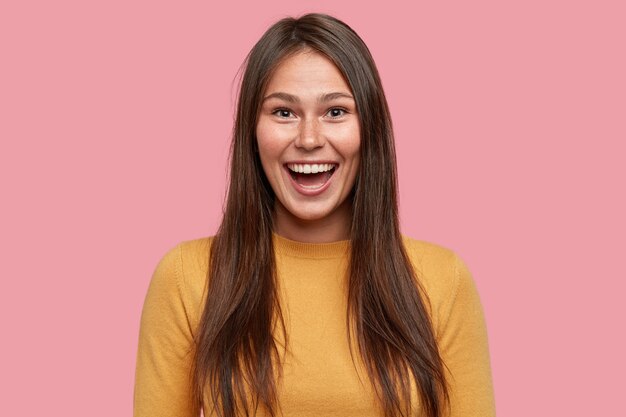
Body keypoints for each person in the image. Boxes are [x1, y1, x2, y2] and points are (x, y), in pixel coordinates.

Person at [133, 13, 495, 417]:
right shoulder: (187, 276)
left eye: (336, 112)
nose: (308, 139)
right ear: (252, 131)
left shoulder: (444, 281)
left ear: (369, 128)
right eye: (283, 113)